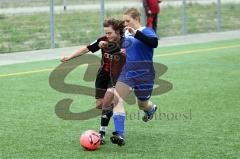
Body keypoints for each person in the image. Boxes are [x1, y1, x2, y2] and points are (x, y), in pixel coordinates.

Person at [60, 18, 126, 145]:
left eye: (109, 33)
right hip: (103, 75)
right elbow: (86, 49)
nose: (107, 36)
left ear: (117, 31)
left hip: (117, 77)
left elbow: (128, 53)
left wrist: (114, 48)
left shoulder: (126, 42)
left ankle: (101, 134)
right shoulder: (103, 40)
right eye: (106, 33)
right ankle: (112, 109)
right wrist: (69, 57)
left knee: (107, 102)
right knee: (100, 105)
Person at [104, 8, 158, 146]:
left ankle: (150, 109)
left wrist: (137, 34)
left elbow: (154, 43)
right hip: (128, 72)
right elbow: (124, 47)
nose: (126, 23)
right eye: (124, 21)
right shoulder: (126, 34)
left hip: (145, 74)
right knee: (117, 98)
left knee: (142, 104)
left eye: (128, 20)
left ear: (137, 19)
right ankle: (119, 134)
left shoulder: (147, 31)